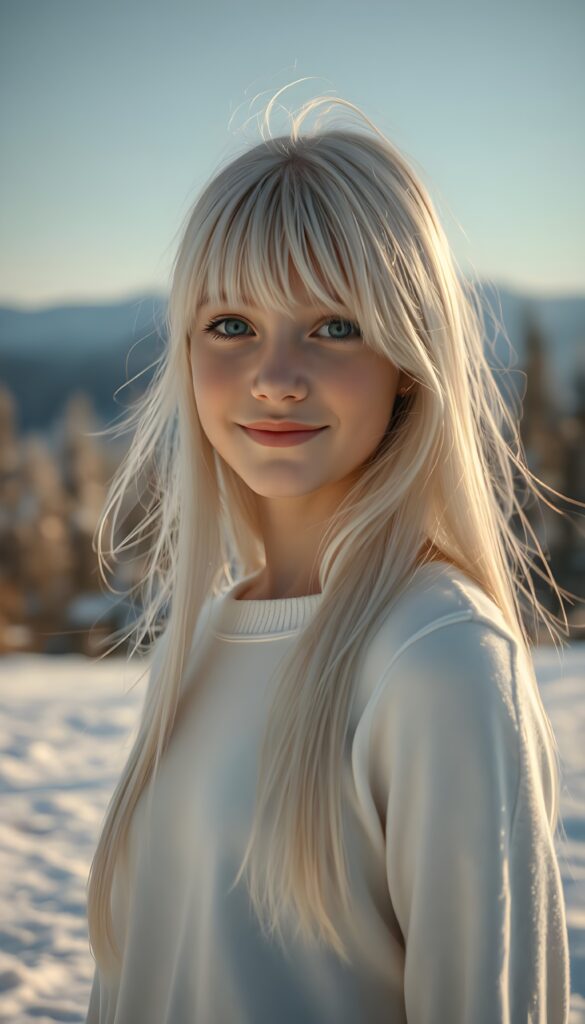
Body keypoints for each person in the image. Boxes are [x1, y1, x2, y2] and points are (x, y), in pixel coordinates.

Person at [84, 84, 574, 1023]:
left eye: (334, 325)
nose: (273, 376)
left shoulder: (437, 657)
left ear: (407, 362)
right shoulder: (207, 633)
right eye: (232, 326)